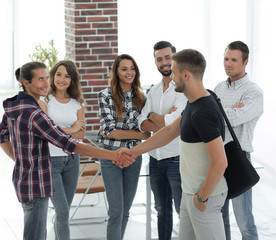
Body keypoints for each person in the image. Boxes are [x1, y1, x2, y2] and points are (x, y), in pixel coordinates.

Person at [0, 61, 134, 240]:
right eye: (40, 79)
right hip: (36, 183)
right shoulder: (34, 113)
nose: (46, 83)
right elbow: (69, 143)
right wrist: (112, 154)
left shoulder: (16, 105)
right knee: (37, 234)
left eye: (46, 78)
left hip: (29, 180)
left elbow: (0, 135)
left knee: (37, 232)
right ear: (26, 83)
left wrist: (20, 161)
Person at [119, 49, 228, 240]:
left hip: (205, 197)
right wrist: (133, 152)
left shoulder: (204, 110)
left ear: (185, 74)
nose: (172, 76)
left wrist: (202, 197)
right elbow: (169, 132)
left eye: (175, 72)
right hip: (190, 194)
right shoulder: (194, 104)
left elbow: (220, 162)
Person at [97, 54, 150, 240]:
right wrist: (140, 135)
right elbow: (111, 132)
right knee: (116, 211)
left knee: (126, 211)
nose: (130, 72)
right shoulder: (105, 95)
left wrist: (143, 134)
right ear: (116, 72)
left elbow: (149, 128)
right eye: (124, 69)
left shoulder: (141, 97)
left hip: (133, 157)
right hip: (111, 156)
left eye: (132, 68)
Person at [137, 41, 186, 240]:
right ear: (155, 62)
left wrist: (155, 118)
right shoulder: (154, 91)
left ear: (175, 58)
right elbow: (140, 121)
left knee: (183, 213)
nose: (164, 62)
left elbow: (173, 123)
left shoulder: (182, 88)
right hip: (155, 161)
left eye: (168, 57)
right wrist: (162, 119)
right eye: (159, 59)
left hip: (176, 160)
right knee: (161, 211)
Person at [214, 40, 263, 240]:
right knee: (220, 217)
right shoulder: (218, 87)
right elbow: (212, 119)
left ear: (245, 62)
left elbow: (234, 118)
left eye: (234, 60)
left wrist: (222, 113)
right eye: (226, 59)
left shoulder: (254, 91)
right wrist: (232, 109)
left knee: (244, 222)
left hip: (238, 158)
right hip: (217, 158)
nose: (228, 63)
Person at [38, 60, 85, 240]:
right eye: (59, 74)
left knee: (63, 212)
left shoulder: (77, 103)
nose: (62, 79)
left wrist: (67, 131)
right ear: (53, 76)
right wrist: (71, 129)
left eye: (67, 76)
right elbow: (45, 132)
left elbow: (81, 135)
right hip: (51, 160)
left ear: (72, 79)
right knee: (63, 211)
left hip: (72, 161)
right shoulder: (44, 101)